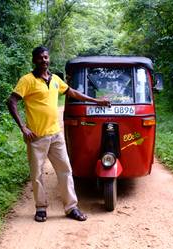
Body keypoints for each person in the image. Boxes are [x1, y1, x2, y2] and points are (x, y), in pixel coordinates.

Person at [7, 46, 110, 222]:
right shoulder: (27, 80)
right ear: (34, 60)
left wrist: (96, 101)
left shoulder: (55, 79)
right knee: (37, 174)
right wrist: (23, 127)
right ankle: (40, 208)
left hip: (56, 135)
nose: (43, 60)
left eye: (46, 57)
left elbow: (72, 92)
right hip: (36, 137)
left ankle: (71, 208)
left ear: (49, 59)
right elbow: (11, 101)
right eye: (40, 58)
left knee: (65, 170)